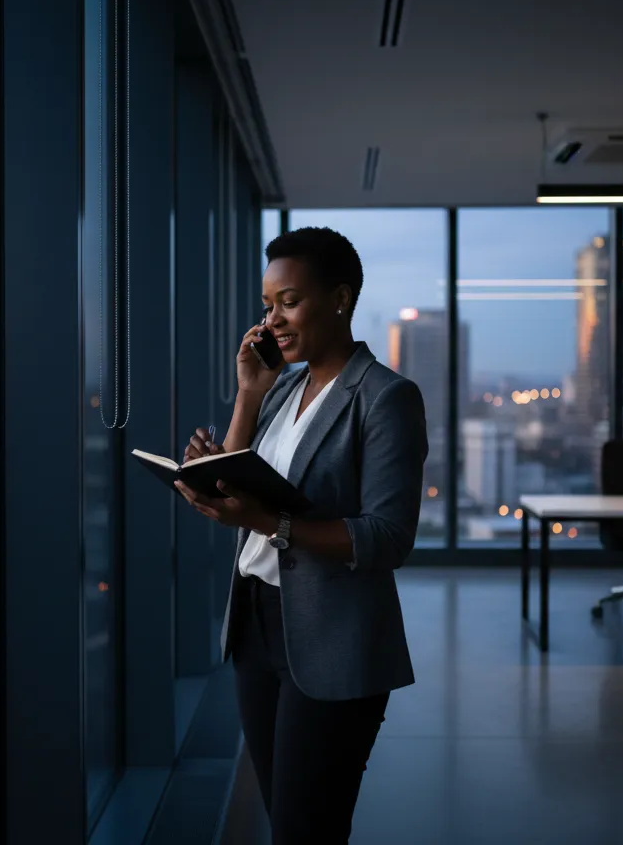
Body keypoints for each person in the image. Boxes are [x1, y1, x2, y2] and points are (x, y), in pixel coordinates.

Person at [175, 226, 428, 843]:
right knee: (283, 815)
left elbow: (387, 537)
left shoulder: (386, 397)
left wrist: (265, 522)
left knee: (305, 828)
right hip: (256, 627)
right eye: (268, 306)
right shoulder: (281, 385)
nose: (273, 320)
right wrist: (245, 398)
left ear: (340, 298)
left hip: (333, 635)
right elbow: (233, 483)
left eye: (289, 301)